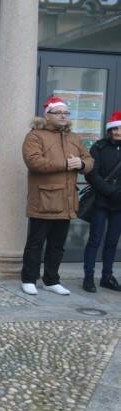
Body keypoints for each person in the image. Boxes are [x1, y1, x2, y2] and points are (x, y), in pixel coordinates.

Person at [21, 96, 93, 295]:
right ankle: (28, 279)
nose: (63, 116)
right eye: (58, 112)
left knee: (57, 244)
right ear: (47, 115)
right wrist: (66, 164)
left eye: (66, 113)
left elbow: (88, 159)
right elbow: (33, 161)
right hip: (43, 200)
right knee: (36, 243)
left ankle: (52, 280)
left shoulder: (74, 137)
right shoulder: (35, 136)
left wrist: (83, 164)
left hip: (67, 200)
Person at [82, 111, 121, 292]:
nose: (118, 132)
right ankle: (88, 277)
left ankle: (107, 276)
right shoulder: (99, 147)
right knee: (95, 239)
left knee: (112, 241)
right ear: (110, 130)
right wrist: (110, 192)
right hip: (101, 201)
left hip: (119, 203)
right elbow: (92, 174)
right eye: (115, 128)